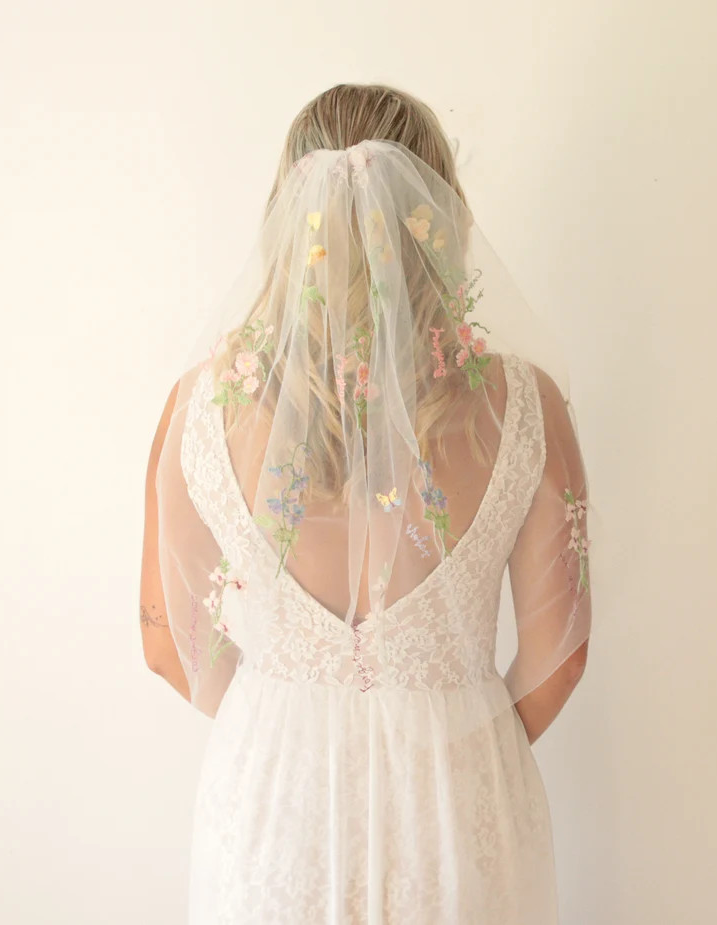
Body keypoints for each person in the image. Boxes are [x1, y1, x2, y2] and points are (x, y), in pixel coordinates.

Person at [140, 83, 593, 924]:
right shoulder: (523, 405)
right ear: (441, 219)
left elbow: (169, 641)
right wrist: (453, 743)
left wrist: (283, 723)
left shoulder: (201, 406)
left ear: (287, 222)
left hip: (269, 812)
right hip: (457, 815)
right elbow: (558, 658)